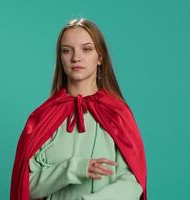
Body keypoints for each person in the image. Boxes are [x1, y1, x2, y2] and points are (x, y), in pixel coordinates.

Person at [10, 18, 147, 200]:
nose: (76, 57)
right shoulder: (43, 117)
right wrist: (73, 168)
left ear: (100, 57)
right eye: (67, 51)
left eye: (86, 49)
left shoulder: (117, 114)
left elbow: (133, 182)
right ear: (61, 58)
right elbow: (25, 185)